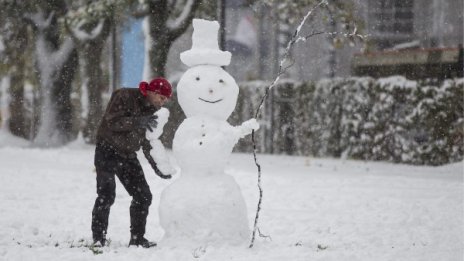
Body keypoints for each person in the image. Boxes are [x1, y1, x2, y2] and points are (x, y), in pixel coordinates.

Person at [91, 77, 173, 248]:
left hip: (127, 155)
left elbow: (147, 142)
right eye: (162, 98)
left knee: (143, 196)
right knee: (106, 195)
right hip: (107, 149)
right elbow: (112, 121)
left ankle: (137, 239)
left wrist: (158, 167)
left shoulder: (153, 113)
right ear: (152, 92)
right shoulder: (125, 95)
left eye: (166, 100)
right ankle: (98, 239)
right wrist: (138, 121)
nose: (163, 102)